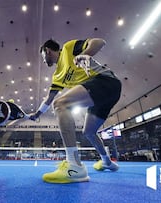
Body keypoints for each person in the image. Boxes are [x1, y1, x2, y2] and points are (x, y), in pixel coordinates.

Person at [29, 38, 121, 183]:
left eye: (42, 56)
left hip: (106, 81)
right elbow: (48, 99)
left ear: (47, 51)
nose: (43, 60)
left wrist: (84, 54)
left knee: (61, 104)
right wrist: (37, 114)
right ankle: (107, 162)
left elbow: (99, 42)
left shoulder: (68, 48)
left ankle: (74, 166)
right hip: (99, 96)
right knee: (89, 132)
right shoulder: (57, 76)